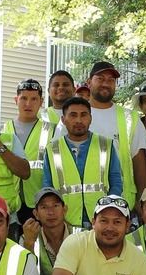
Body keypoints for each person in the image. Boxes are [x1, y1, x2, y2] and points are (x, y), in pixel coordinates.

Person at [66, 61, 139, 209]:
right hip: (75, 208)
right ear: (89, 82)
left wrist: (141, 200)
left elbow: (139, 160)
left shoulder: (129, 117)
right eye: (100, 78)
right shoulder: (72, 115)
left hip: (120, 205)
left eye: (111, 80)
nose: (106, 83)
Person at [42, 96, 122, 227]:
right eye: (73, 115)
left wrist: (108, 212)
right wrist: (58, 218)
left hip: (101, 221)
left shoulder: (106, 145)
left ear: (90, 118)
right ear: (63, 120)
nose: (79, 120)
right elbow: (48, 187)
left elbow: (116, 181)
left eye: (83, 115)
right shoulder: (52, 149)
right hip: (66, 222)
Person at [3, 79, 55, 227]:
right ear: (16, 100)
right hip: (9, 202)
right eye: (23, 98)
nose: (28, 104)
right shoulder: (3, 130)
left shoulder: (52, 130)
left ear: (41, 102)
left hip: (39, 202)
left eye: (34, 99)